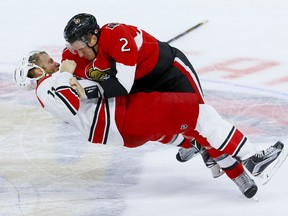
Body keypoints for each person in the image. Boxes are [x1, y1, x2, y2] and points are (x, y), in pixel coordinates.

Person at [14, 51, 287, 199]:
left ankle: (237, 175)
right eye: (43, 59)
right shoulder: (46, 86)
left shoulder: (47, 88)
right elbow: (70, 101)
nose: (52, 59)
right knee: (200, 115)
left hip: (121, 128)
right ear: (34, 71)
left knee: (192, 130)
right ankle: (252, 157)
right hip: (123, 116)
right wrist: (65, 72)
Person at [61, 13, 220, 176]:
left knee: (199, 115)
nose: (78, 53)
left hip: (167, 70)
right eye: (74, 47)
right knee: (155, 121)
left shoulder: (115, 37)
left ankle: (225, 155)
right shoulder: (72, 57)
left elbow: (122, 86)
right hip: (141, 82)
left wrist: (86, 92)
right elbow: (61, 85)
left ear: (92, 37)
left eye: (80, 46)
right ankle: (194, 144)